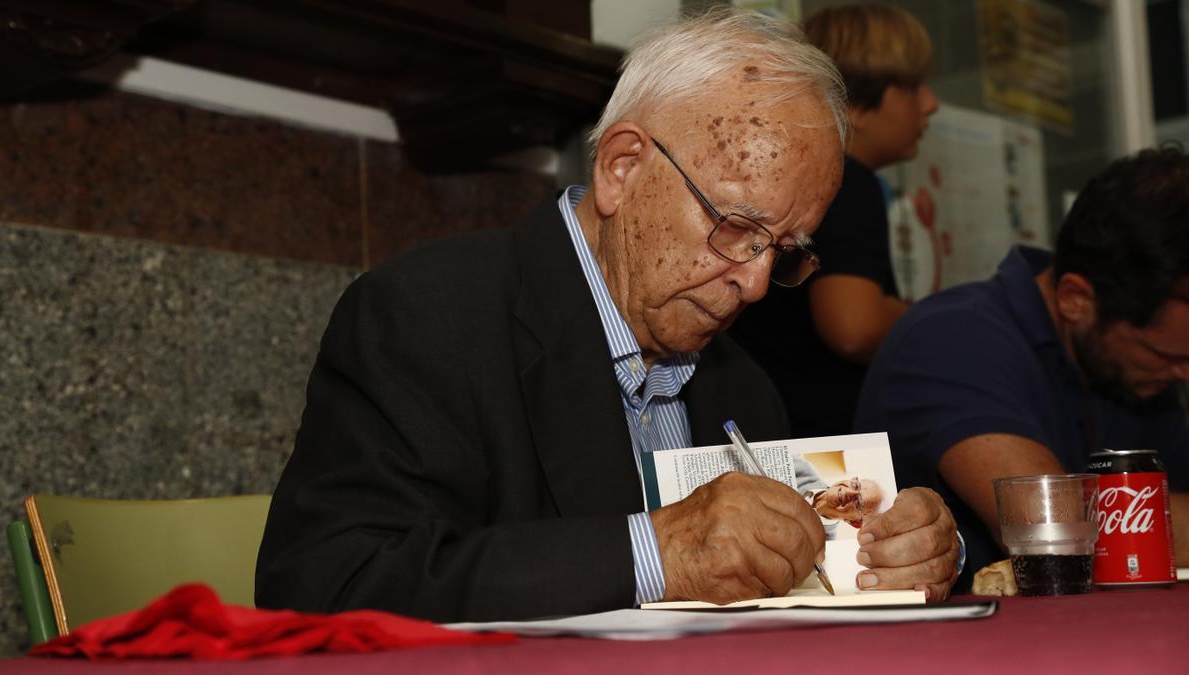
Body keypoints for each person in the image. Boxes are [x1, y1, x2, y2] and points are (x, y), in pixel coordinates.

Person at [255, 9, 960, 623]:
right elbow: (326, 585)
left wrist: (902, 552)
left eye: (781, 251)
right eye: (736, 227)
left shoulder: (741, 385)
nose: (752, 284)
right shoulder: (428, 316)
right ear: (623, 167)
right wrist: (658, 552)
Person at [855, 147, 1189, 585]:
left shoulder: (1135, 371)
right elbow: (1053, 530)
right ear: (1075, 300)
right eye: (1167, 355)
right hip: (948, 648)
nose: (1183, 374)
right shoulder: (951, 338)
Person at [729, 3, 938, 438]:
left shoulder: (785, 178)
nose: (930, 104)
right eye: (912, 86)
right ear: (855, 102)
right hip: (819, 437)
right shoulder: (849, 183)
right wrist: (937, 321)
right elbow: (852, 326)